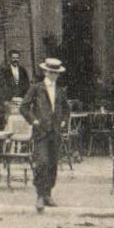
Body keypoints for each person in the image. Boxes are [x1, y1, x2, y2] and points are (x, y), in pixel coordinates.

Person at [21, 56, 70, 213]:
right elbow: (24, 107)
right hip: (41, 132)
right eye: (50, 72)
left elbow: (66, 109)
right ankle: (40, 196)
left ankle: (48, 194)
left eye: (56, 73)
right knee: (41, 162)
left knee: (53, 164)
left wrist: (63, 120)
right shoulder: (36, 88)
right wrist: (33, 120)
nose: (53, 75)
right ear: (45, 72)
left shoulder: (60, 91)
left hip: (55, 132)